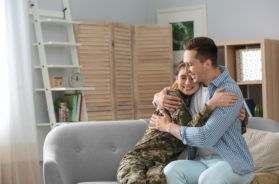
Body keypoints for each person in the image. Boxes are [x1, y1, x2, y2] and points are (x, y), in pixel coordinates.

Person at [117, 61, 246, 184]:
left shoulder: (196, 99)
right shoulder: (173, 98)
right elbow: (189, 132)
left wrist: (241, 117)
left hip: (160, 166)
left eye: (192, 78)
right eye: (183, 77)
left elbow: (222, 127)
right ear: (176, 79)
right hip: (139, 159)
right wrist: (210, 105)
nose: (188, 83)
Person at [150, 37, 254, 184]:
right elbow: (174, 90)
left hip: (231, 162)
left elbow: (206, 137)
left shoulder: (228, 91)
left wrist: (169, 127)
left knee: (207, 179)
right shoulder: (195, 85)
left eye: (190, 65)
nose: (187, 70)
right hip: (201, 160)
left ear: (207, 64)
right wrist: (157, 98)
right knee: (171, 170)